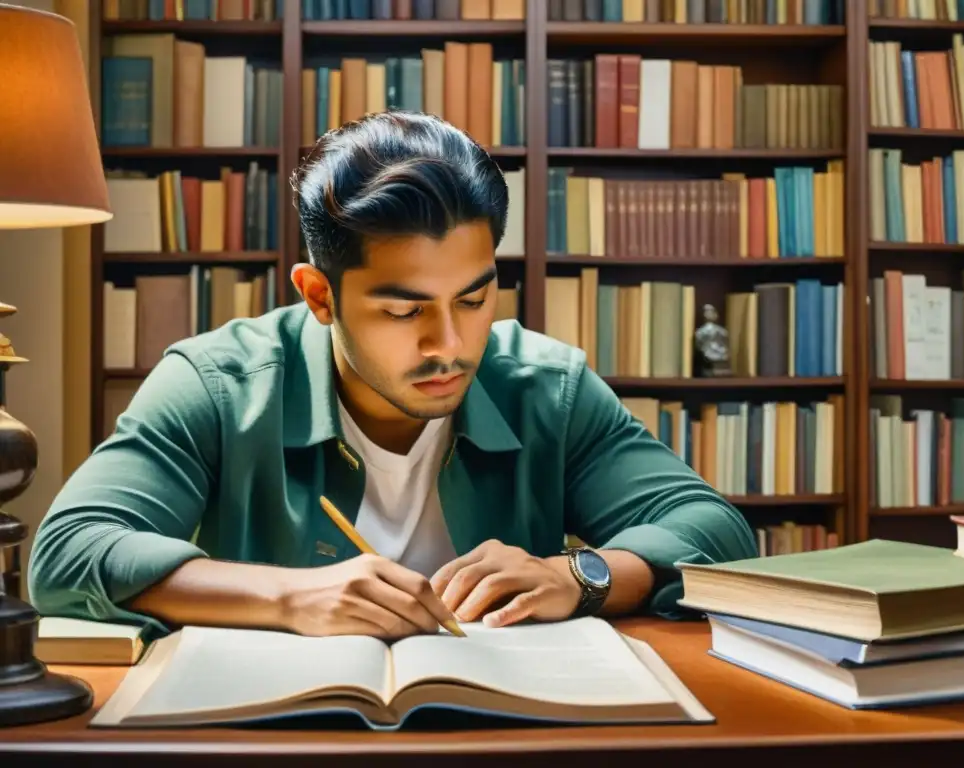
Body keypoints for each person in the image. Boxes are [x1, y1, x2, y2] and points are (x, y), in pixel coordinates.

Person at [28, 112, 757, 641]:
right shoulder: (217, 383)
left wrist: (581, 577)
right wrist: (286, 597)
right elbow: (67, 554)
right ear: (319, 296)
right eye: (404, 311)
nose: (450, 344)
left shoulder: (546, 385)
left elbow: (719, 533)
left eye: (474, 298)